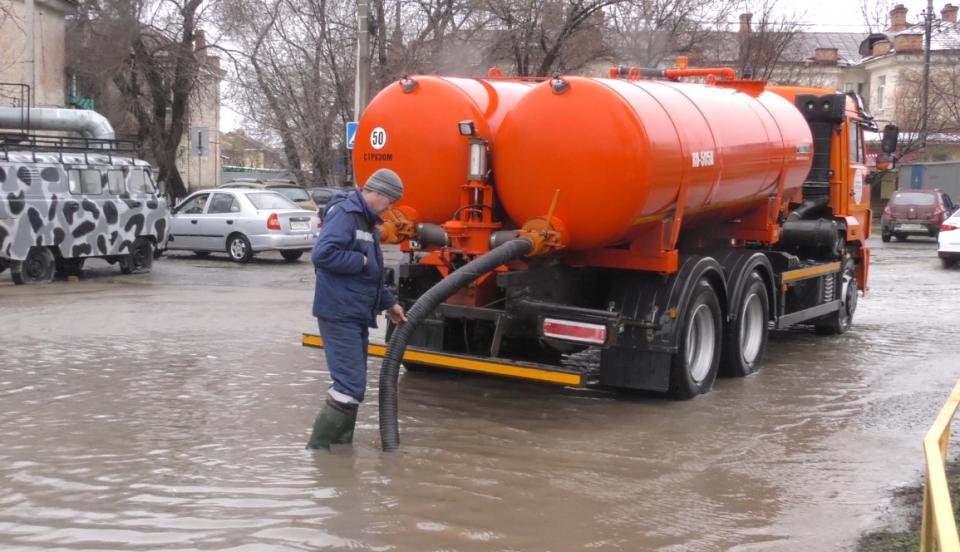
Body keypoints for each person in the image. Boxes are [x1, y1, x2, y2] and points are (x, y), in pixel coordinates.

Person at [306, 168, 407, 450]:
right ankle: (318, 450)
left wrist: (390, 304)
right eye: (389, 201)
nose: (390, 208)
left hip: (354, 311)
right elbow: (322, 254)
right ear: (376, 193)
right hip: (339, 312)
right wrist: (359, 261)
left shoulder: (365, 220)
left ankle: (338, 453)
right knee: (349, 385)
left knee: (353, 386)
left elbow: (372, 275)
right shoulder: (346, 214)